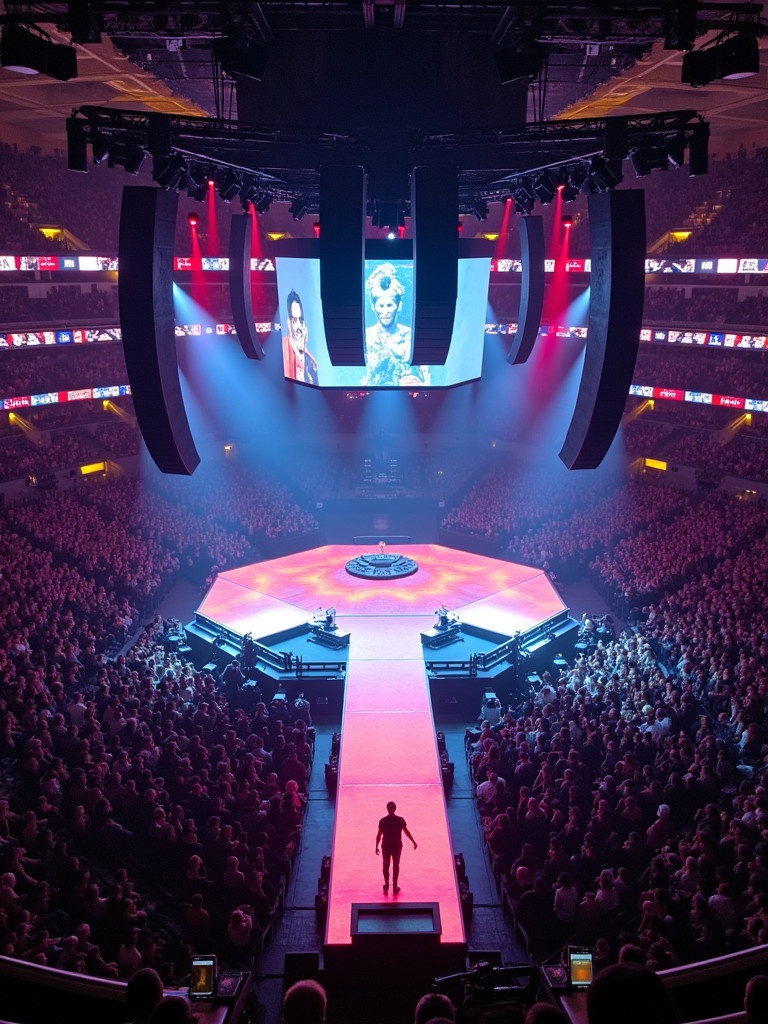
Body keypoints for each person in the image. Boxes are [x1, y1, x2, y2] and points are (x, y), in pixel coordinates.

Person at [362, 262, 429, 386]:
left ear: (398, 305)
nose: (385, 311)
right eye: (381, 306)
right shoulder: (366, 337)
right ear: (374, 307)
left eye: (389, 305)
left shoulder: (410, 336)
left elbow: (426, 377)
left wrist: (420, 385)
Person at [375, 800, 417, 894]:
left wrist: (376, 846)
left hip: (385, 845)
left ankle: (386, 883)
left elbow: (379, 835)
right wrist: (413, 841)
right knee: (396, 866)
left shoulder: (383, 821)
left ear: (387, 809)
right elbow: (406, 832)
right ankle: (394, 886)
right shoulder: (400, 820)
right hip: (397, 846)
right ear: (395, 808)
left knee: (385, 865)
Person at [282, 290, 318, 384]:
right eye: (294, 320)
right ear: (289, 323)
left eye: (301, 320)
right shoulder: (285, 350)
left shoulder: (311, 362)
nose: (299, 327)